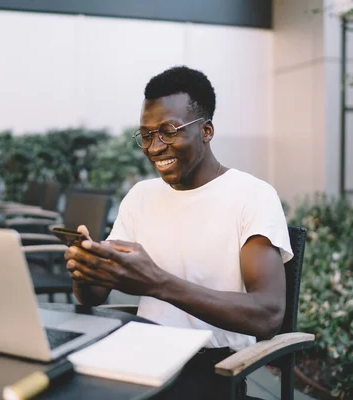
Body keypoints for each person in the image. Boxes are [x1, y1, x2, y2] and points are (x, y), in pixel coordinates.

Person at [64, 66, 293, 398]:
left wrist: (157, 283)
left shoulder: (251, 196)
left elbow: (268, 314)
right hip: (142, 357)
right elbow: (93, 297)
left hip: (213, 370)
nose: (154, 147)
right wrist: (85, 269)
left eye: (168, 131)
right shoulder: (141, 196)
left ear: (207, 130)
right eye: (146, 134)